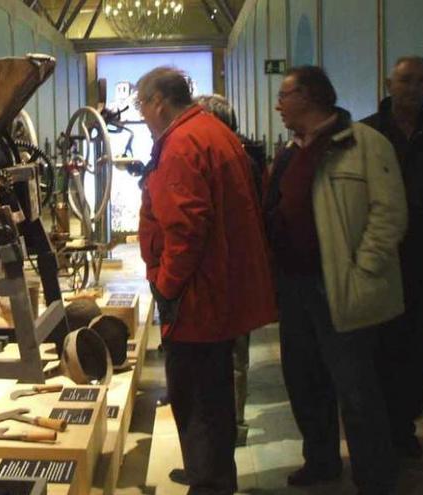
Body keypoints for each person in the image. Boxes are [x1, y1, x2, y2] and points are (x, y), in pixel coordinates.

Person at [264, 65, 405, 493]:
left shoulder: (363, 145)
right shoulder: (290, 152)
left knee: (357, 392)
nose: (278, 105)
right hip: (296, 289)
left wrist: (363, 271)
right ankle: (321, 461)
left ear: (309, 96)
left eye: (285, 95)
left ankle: (375, 478)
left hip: (341, 287)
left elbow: (389, 214)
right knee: (305, 384)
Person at [136, 67, 276, 494]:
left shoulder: (180, 144)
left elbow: (186, 228)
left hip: (196, 300)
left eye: (142, 104)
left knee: (197, 404)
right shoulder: (211, 131)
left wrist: (166, 284)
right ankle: (216, 479)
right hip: (215, 293)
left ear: (160, 101)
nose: (141, 113)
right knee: (214, 401)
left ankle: (209, 484)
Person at [362, 55, 423, 459]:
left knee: (416, 347)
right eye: (406, 80)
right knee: (379, 346)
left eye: (421, 82)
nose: (413, 88)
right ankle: (380, 426)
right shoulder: (368, 133)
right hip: (380, 259)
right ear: (390, 84)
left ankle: (404, 424)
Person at [194, 94, 268, 448]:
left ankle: (229, 431)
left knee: (232, 357)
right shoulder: (237, 158)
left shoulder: (235, 161)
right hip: (227, 273)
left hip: (231, 275)